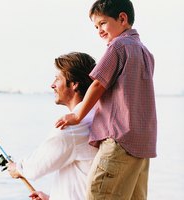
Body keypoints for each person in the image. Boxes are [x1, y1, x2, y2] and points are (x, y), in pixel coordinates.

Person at [55, 0, 157, 199]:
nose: (99, 30)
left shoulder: (118, 46)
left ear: (122, 18)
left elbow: (98, 84)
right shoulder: (146, 52)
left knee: (99, 193)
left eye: (102, 23)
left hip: (120, 140)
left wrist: (76, 116)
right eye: (96, 26)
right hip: (143, 144)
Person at [7, 52, 98, 200]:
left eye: (57, 78)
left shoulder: (71, 128)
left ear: (74, 84)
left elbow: (35, 168)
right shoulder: (95, 117)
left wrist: (17, 168)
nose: (52, 85)